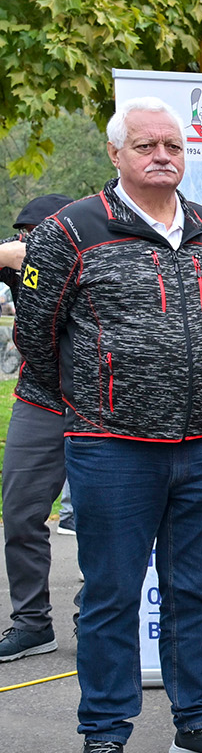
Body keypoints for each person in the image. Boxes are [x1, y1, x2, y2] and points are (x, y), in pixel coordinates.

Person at [15, 97, 202, 753]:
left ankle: (197, 723)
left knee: (193, 592)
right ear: (117, 156)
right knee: (113, 596)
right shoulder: (72, 228)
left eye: (174, 145)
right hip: (112, 447)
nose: (163, 155)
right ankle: (104, 733)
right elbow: (36, 332)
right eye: (147, 144)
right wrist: (95, 404)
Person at [0, 192, 74, 663]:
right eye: (24, 234)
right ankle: (32, 623)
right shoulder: (18, 263)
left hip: (98, 406)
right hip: (38, 400)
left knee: (98, 522)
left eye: (38, 234)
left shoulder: (93, 252)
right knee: (21, 513)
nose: (28, 242)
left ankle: (99, 621)